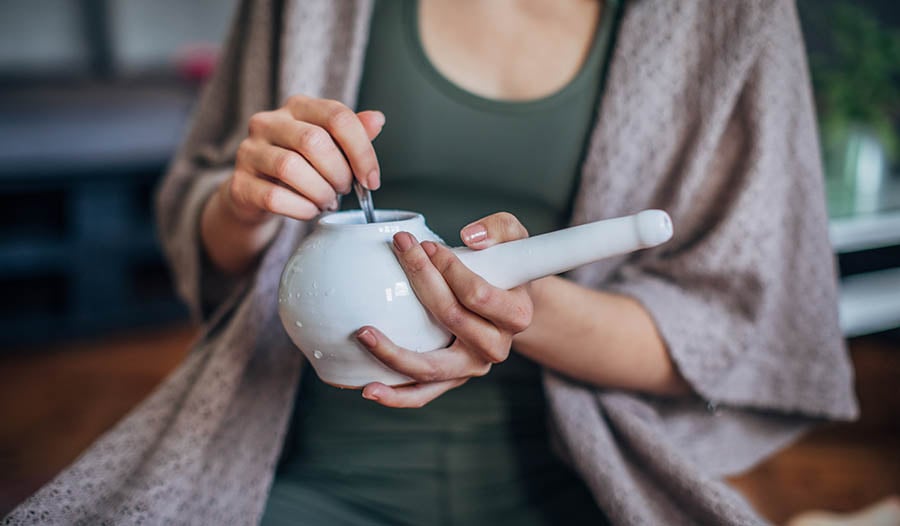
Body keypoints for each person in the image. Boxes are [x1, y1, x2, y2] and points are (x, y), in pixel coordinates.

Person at [5, 0, 858, 524]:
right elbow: (201, 224)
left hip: (588, 482)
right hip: (288, 464)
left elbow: (743, 320)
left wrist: (529, 310)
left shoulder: (728, 17)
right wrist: (242, 201)